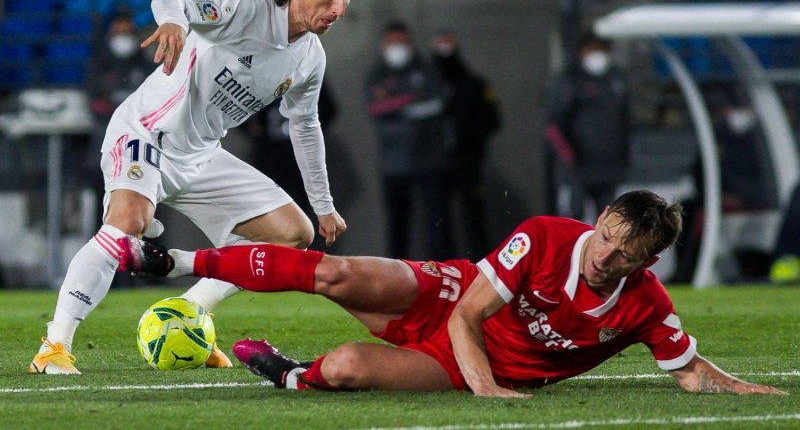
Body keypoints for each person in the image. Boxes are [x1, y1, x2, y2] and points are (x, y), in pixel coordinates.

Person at [28, 0, 361, 375]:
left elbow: (304, 124)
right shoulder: (248, 7)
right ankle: (55, 344)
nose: (339, 8)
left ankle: (186, 314)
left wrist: (322, 205)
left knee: (292, 234)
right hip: (147, 132)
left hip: (201, 153)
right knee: (129, 224)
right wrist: (173, 24)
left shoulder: (309, 57)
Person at [122, 190, 783, 396]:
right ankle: (180, 260)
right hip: (452, 308)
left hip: (462, 365)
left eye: (626, 254)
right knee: (337, 273)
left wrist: (749, 391)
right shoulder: (547, 237)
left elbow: (689, 371)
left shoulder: (646, 305)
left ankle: (291, 377)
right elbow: (469, 313)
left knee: (347, 367)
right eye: (606, 236)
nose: (606, 256)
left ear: (651, 260)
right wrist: (489, 393)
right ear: (602, 217)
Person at [365, 21, 454, 260]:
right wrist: (409, 100)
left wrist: (400, 106)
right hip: (393, 165)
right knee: (397, 226)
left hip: (430, 161)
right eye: (392, 43)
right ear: (383, 45)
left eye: (401, 42)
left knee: (438, 225)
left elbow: (439, 104)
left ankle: (449, 278)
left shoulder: (426, 70)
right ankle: (393, 281)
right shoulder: (377, 75)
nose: (397, 48)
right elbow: (376, 108)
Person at [544, 31, 630, 221]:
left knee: (608, 222)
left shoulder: (615, 80)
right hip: (577, 167)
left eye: (601, 49)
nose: (597, 55)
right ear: (581, 52)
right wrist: (569, 156)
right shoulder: (569, 80)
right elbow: (553, 126)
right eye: (592, 49)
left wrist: (623, 156)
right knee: (573, 220)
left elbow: (624, 122)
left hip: (608, 166)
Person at [431, 30, 501, 259]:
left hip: (468, 161)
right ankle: (442, 265)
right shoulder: (428, 85)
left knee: (473, 214)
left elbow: (492, 120)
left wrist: (465, 137)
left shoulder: (474, 84)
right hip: (433, 162)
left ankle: (480, 263)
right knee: (438, 218)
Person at [86, 11, 155, 230]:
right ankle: (106, 256)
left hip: (142, 154)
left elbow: (156, 107)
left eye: (127, 32)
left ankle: (145, 259)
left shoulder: (147, 67)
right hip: (106, 151)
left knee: (146, 214)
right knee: (105, 211)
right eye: (118, 32)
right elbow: (93, 103)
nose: (123, 37)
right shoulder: (99, 67)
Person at [244, 82, 339, 220]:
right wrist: (250, 128)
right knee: (270, 208)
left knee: (301, 207)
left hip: (301, 153)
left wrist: (311, 129)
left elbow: (329, 108)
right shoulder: (257, 73)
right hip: (269, 153)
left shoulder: (307, 69)